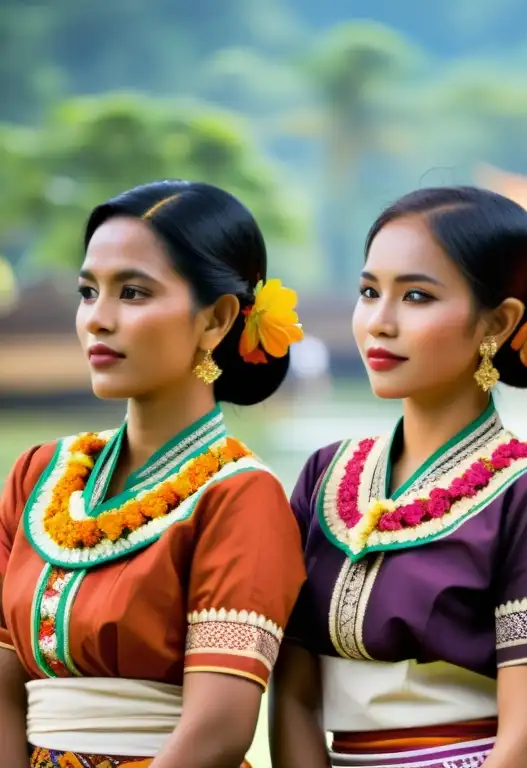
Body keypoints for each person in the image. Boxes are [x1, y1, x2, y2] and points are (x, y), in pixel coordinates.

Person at [269, 186, 527, 768]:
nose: (379, 322)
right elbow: (292, 696)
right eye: (369, 292)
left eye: (416, 296)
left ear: (498, 321)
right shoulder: (324, 473)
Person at [0, 180, 308, 768]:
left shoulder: (242, 496)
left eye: (133, 293)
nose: (97, 319)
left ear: (216, 319)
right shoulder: (35, 476)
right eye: (88, 292)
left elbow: (218, 729)